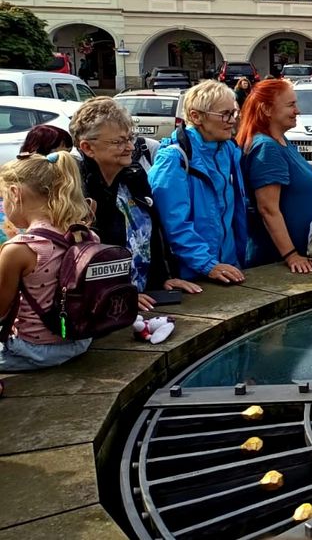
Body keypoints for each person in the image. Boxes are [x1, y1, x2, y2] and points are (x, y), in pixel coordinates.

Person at [70, 98, 201, 309]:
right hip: (104, 307)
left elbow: (152, 235)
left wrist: (162, 279)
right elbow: (80, 258)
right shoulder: (76, 190)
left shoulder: (134, 176)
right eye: (118, 142)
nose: (130, 147)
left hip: (142, 296)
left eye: (130, 138)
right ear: (87, 147)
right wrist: (118, 293)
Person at [0, 153, 93, 370]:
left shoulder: (20, 249)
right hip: (80, 340)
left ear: (15, 194)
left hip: (33, 350)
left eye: (3, 198)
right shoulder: (84, 234)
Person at [149, 81, 248, 284]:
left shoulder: (227, 149)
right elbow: (174, 225)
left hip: (226, 266)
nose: (233, 121)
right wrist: (207, 264)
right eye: (226, 114)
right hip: (191, 275)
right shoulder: (173, 159)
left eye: (235, 113)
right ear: (196, 116)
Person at [237, 80, 312, 273]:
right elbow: (267, 209)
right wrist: (291, 255)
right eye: (291, 105)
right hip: (278, 261)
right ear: (267, 109)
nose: (298, 110)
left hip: (300, 256)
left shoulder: (282, 140)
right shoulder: (267, 148)